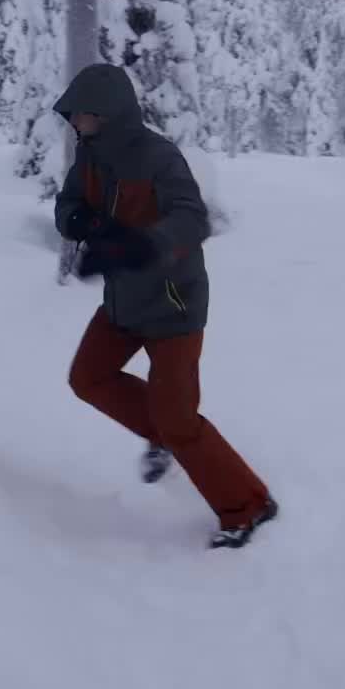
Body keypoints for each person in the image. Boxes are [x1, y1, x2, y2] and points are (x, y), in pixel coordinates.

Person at [54, 62, 277, 550]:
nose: (75, 124)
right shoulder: (89, 156)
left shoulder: (159, 157)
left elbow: (193, 219)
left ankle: (249, 505)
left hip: (174, 306)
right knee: (87, 379)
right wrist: (85, 223)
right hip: (123, 303)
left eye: (83, 115)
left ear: (108, 113)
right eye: (73, 116)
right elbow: (67, 202)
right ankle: (167, 433)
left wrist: (142, 246)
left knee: (179, 420)